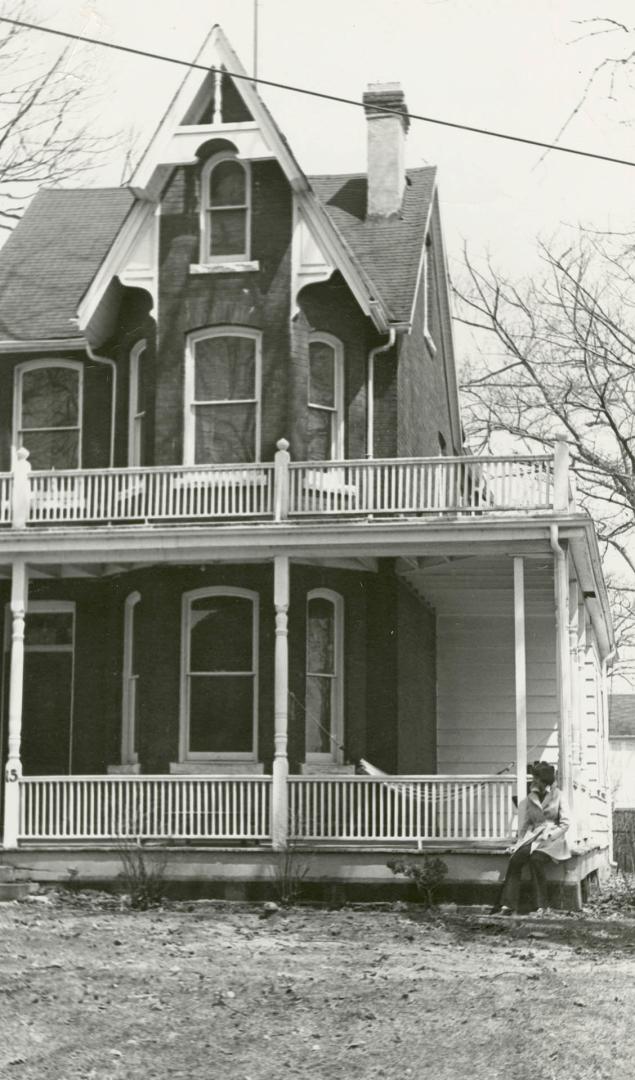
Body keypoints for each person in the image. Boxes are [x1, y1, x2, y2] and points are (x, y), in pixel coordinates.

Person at [494, 761, 571, 915]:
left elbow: (565, 824)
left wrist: (551, 835)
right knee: (516, 859)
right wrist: (519, 843)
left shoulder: (559, 795)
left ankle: (541, 905)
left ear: (545, 780)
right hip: (534, 837)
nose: (534, 781)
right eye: (534, 778)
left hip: (553, 840)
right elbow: (526, 822)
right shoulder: (531, 796)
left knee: (536, 860)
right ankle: (508, 904)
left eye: (537, 779)